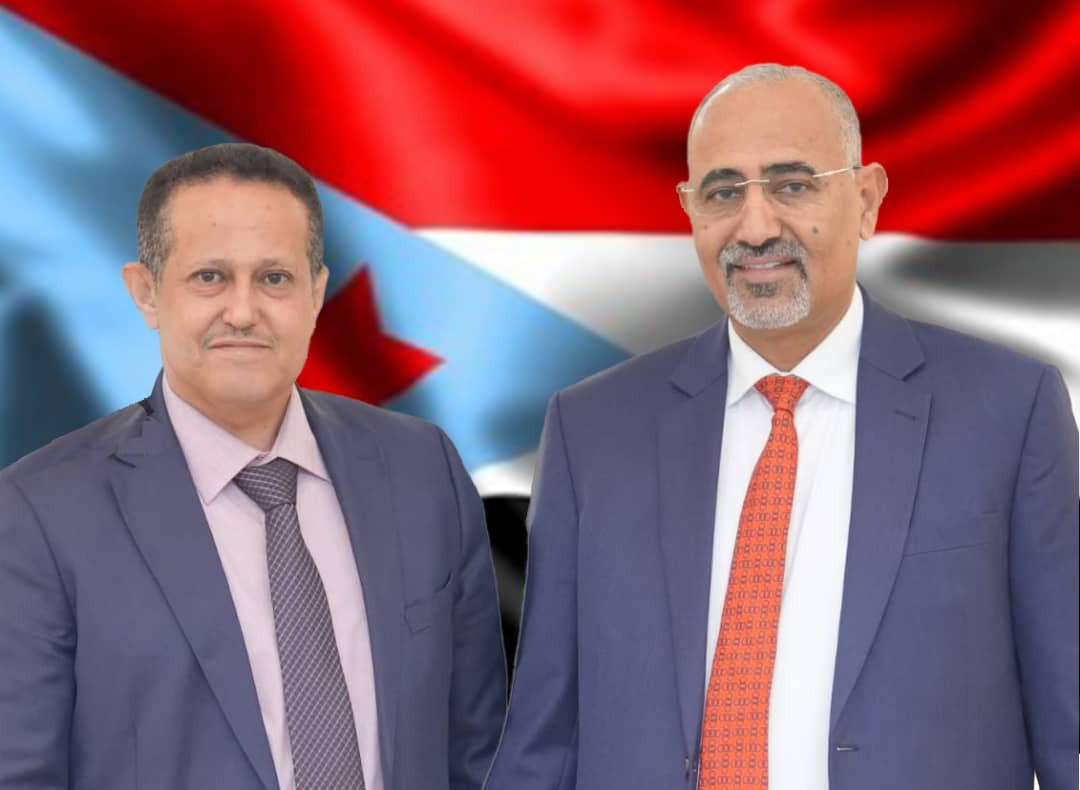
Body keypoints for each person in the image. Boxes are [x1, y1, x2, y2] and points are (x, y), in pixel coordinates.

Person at [484, 64, 1078, 790]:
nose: (756, 226)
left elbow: (1068, 722)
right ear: (690, 209)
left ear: (866, 199)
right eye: (723, 192)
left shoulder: (1007, 412)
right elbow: (543, 739)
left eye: (793, 184)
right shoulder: (592, 431)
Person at [0, 143, 506, 789]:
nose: (242, 312)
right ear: (147, 293)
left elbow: (480, 750)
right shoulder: (40, 511)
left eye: (274, 278)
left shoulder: (422, 469)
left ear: (316, 292)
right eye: (210, 277)